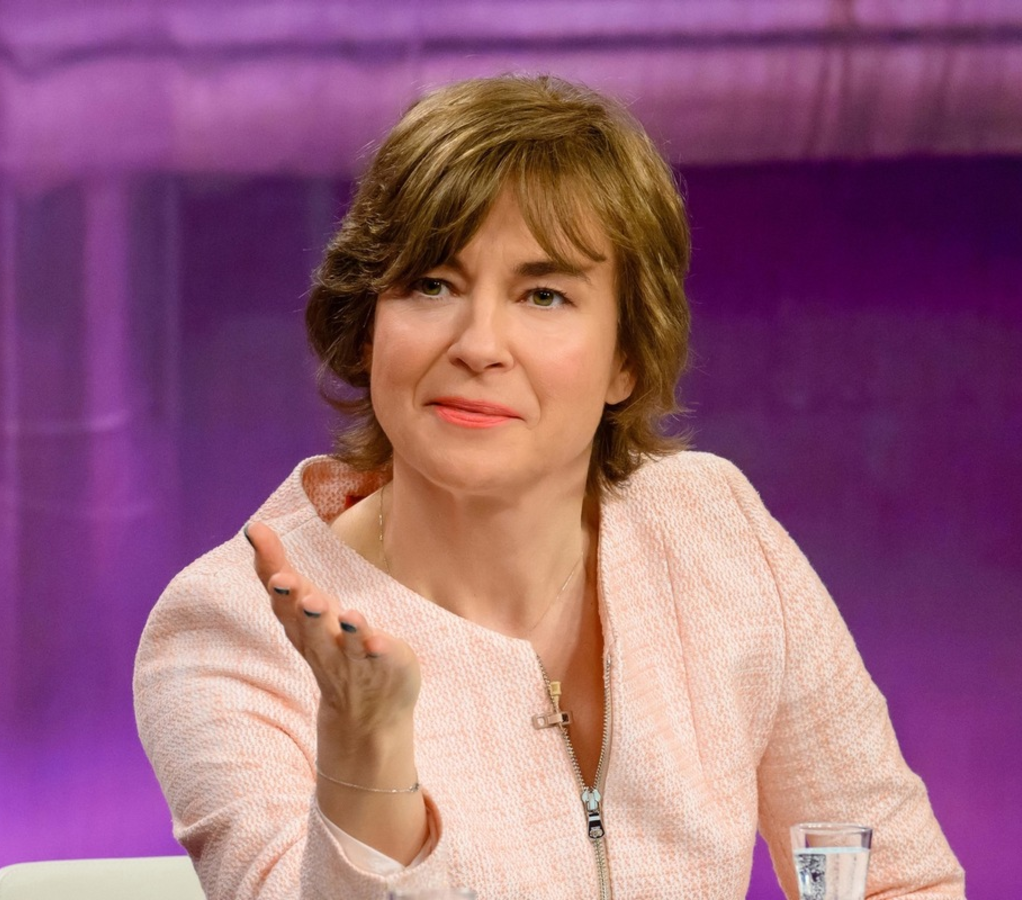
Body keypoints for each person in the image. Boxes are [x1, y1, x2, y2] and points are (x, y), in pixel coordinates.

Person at [134, 74, 965, 900]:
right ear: (366, 328)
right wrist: (366, 756)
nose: (479, 345)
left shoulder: (713, 527)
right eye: (432, 284)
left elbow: (899, 880)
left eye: (543, 294)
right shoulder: (231, 631)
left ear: (626, 357)